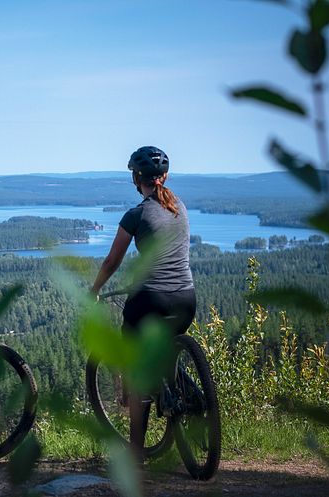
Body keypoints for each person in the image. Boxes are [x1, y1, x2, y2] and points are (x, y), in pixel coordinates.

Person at [89, 145, 195, 460]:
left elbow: (112, 262)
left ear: (137, 178)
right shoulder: (181, 206)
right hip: (186, 300)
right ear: (165, 176)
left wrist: (94, 290)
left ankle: (135, 452)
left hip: (151, 300)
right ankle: (180, 393)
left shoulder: (136, 214)